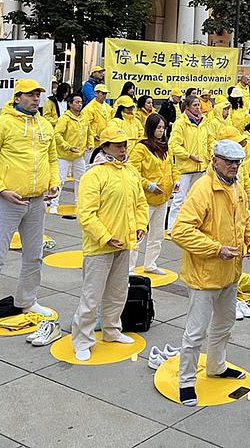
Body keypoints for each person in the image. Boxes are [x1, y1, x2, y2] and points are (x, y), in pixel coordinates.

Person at [0, 79, 60, 336]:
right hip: (7, 202)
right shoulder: (1, 125)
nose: (35, 99)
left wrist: (54, 182)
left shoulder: (44, 124)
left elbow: (51, 159)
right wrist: (1, 189)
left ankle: (27, 300)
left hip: (37, 201)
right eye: (30, 95)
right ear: (17, 97)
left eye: (38, 95)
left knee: (34, 255)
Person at [171, 139, 250, 407]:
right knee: (195, 332)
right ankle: (186, 381)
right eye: (229, 162)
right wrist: (215, 249)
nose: (234, 167)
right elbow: (180, 231)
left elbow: (245, 219)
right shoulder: (203, 190)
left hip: (229, 273)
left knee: (224, 325)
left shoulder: (236, 188)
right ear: (215, 160)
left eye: (237, 163)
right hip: (205, 275)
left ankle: (216, 366)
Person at [71, 124, 148, 360]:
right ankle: (82, 339)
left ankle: (112, 330)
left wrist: (140, 226)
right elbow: (86, 213)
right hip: (99, 246)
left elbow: (140, 203)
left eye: (125, 144)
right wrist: (105, 237)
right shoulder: (94, 175)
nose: (123, 149)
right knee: (92, 295)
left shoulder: (130, 171)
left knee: (117, 291)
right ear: (105, 147)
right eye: (117, 145)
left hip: (124, 243)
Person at [129, 114, 176, 274]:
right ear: (151, 128)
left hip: (162, 198)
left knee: (157, 235)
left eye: (163, 128)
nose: (161, 131)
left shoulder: (165, 147)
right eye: (158, 128)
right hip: (145, 199)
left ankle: (150, 264)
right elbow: (133, 171)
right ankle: (129, 267)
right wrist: (148, 185)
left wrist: (175, 181)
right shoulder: (141, 147)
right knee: (138, 233)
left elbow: (172, 167)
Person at [167, 93, 211, 233]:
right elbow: (173, 145)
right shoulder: (180, 123)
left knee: (197, 197)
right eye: (195, 105)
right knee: (179, 199)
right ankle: (172, 227)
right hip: (185, 168)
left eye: (199, 105)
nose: (198, 108)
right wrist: (189, 156)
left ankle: (191, 224)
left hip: (201, 167)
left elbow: (210, 141)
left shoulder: (204, 122)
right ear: (187, 107)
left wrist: (210, 156)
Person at [53, 92, 88, 213]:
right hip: (64, 155)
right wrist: (67, 147)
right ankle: (53, 203)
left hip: (79, 155)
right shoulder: (64, 118)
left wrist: (90, 143)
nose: (79, 104)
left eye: (81, 102)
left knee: (81, 180)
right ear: (70, 104)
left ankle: (79, 203)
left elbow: (89, 132)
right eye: (77, 102)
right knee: (60, 179)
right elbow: (57, 134)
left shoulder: (84, 117)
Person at [81, 84, 112, 161]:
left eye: (105, 94)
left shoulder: (108, 107)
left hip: (105, 139)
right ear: (96, 93)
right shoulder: (89, 108)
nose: (104, 95)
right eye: (102, 93)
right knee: (91, 162)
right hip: (93, 141)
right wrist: (93, 135)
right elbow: (85, 124)